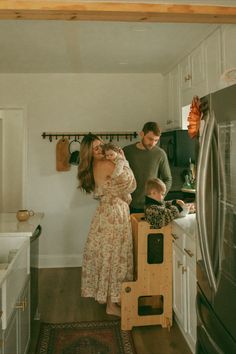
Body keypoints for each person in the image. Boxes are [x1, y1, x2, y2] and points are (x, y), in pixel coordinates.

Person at [77, 134, 136, 316]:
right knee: (114, 257)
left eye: (101, 146)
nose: (100, 150)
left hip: (105, 213)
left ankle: (111, 302)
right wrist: (123, 160)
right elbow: (131, 185)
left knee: (108, 256)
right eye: (95, 149)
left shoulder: (95, 165)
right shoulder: (105, 164)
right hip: (114, 214)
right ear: (90, 153)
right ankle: (112, 305)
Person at [123, 121, 172, 213]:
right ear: (142, 134)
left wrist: (160, 196)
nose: (153, 143)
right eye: (150, 139)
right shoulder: (127, 151)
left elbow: (168, 179)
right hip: (129, 204)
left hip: (153, 206)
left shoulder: (160, 154)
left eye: (156, 140)